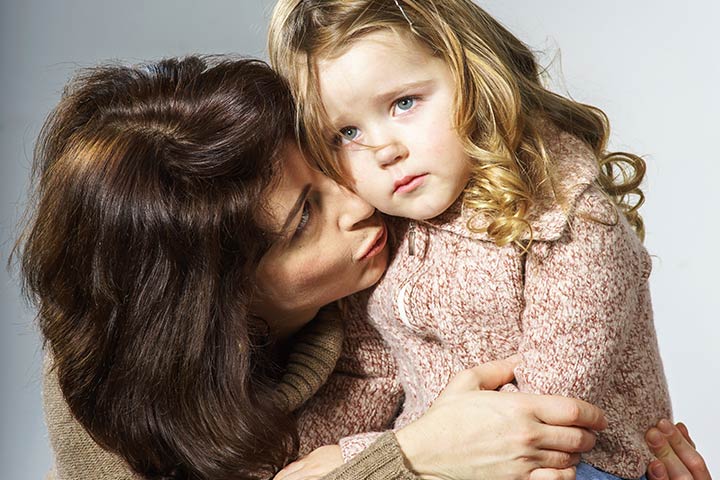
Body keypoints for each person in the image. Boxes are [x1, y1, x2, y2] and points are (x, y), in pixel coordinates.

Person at [18, 56, 709, 480]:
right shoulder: (104, 387)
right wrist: (409, 457)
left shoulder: (404, 254)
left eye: (326, 158)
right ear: (218, 302)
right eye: (305, 219)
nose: (360, 200)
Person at [268, 1, 683, 479]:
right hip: (450, 463)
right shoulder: (388, 234)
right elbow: (369, 377)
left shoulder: (568, 217)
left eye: (404, 103)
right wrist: (289, 463)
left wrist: (360, 457)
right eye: (346, 132)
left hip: (575, 460)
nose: (385, 150)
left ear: (474, 78)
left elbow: (546, 404)